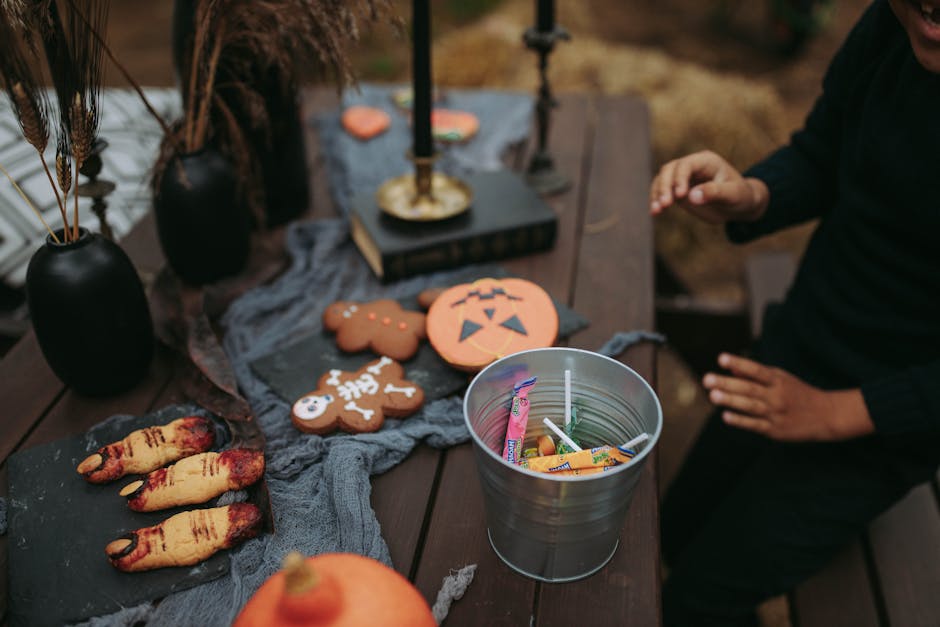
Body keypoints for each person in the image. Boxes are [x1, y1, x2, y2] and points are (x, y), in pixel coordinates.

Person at [649, 0, 940, 624]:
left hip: (890, 425)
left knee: (697, 600)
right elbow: (822, 152)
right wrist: (752, 195)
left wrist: (837, 413)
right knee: (671, 533)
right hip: (800, 342)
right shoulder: (890, 29)